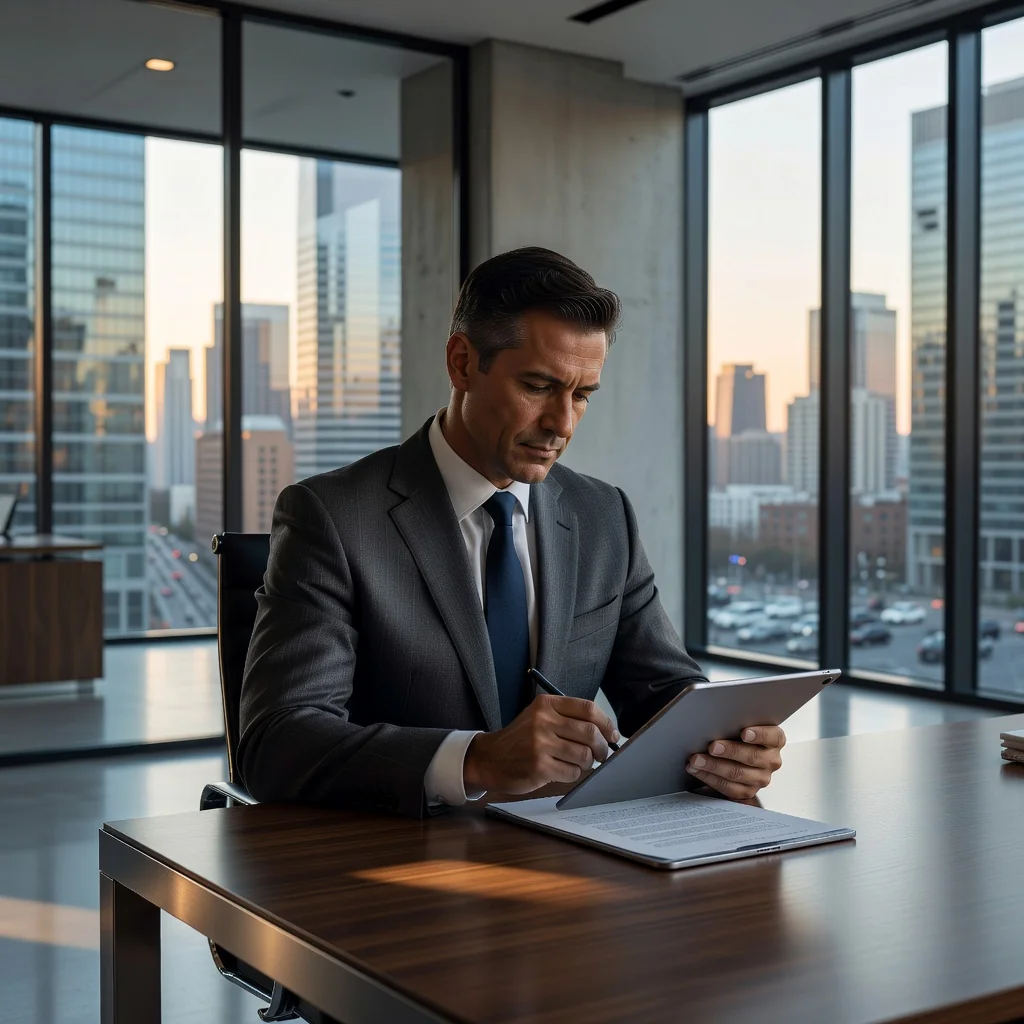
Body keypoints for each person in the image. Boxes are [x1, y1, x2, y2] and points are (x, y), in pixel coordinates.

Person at [238, 247, 786, 817]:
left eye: (581, 395)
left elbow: (663, 694)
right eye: (538, 386)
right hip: (398, 864)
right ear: (461, 363)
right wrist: (476, 759)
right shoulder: (332, 517)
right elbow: (278, 741)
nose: (562, 424)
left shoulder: (603, 516)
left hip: (570, 857)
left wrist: (724, 749)